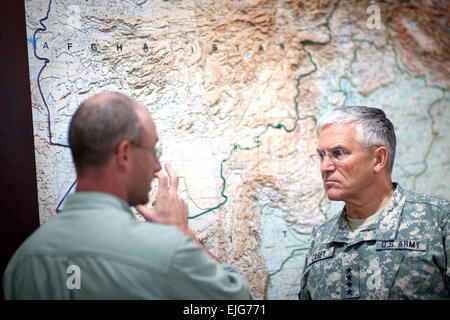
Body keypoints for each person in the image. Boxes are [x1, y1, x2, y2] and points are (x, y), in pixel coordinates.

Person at [3, 92, 252, 299]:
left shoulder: (24, 261)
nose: (157, 165)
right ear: (124, 154)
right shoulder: (167, 252)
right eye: (154, 149)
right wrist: (181, 232)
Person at [298, 106, 449, 300]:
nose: (325, 166)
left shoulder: (438, 221)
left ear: (378, 159)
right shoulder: (321, 238)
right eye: (322, 155)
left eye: (339, 153)